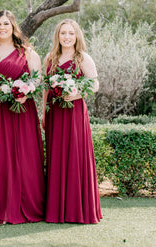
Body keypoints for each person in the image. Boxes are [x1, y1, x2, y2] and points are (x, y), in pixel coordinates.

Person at [0, 10, 45, 225]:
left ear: (13, 26)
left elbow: (37, 78)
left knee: (20, 157)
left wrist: (26, 92)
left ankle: (19, 206)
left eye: (6, 23)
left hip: (19, 111)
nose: (2, 27)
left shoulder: (26, 52)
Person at [42, 19, 102, 224]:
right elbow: (45, 88)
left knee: (75, 156)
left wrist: (76, 94)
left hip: (75, 112)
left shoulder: (82, 58)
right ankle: (57, 209)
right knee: (56, 156)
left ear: (77, 36)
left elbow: (94, 84)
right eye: (63, 33)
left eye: (70, 33)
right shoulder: (50, 58)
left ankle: (77, 209)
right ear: (57, 36)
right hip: (55, 113)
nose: (67, 37)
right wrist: (43, 112)